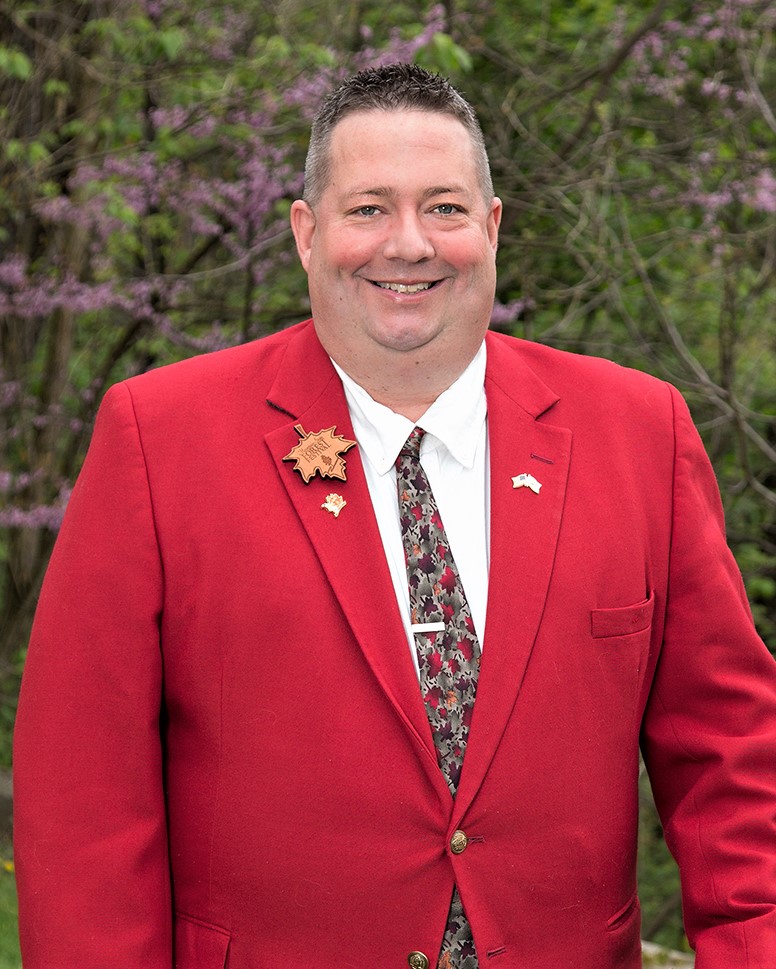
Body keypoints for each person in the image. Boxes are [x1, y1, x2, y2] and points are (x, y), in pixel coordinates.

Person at [12, 63, 776, 969]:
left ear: (493, 229)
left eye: (445, 208)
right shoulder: (157, 440)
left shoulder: (639, 434)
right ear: (305, 232)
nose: (408, 244)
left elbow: (734, 765)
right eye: (368, 208)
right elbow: (83, 803)